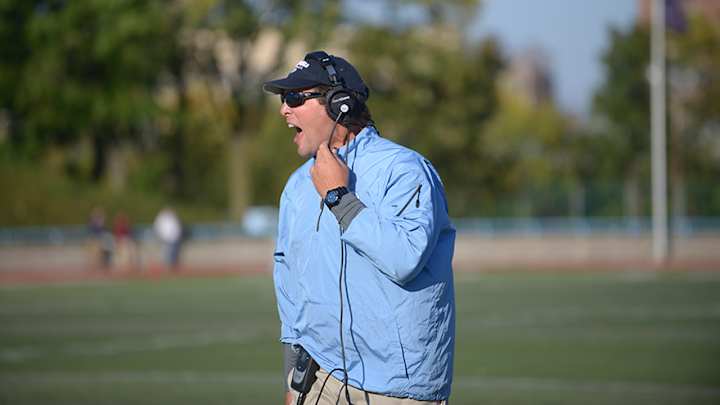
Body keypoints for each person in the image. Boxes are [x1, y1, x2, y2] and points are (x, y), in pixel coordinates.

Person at [264, 51, 456, 405]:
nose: (284, 110)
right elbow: (291, 292)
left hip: (396, 390)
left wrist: (340, 198)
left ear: (339, 104)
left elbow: (404, 259)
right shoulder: (296, 186)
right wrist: (293, 382)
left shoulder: (404, 169)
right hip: (319, 380)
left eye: (294, 98)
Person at [153, 207, 183, 271]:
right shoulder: (162, 218)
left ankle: (172, 265)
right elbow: (158, 227)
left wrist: (177, 235)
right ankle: (167, 265)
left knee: (173, 252)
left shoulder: (173, 217)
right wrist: (161, 236)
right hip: (165, 238)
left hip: (174, 237)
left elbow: (177, 227)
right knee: (167, 252)